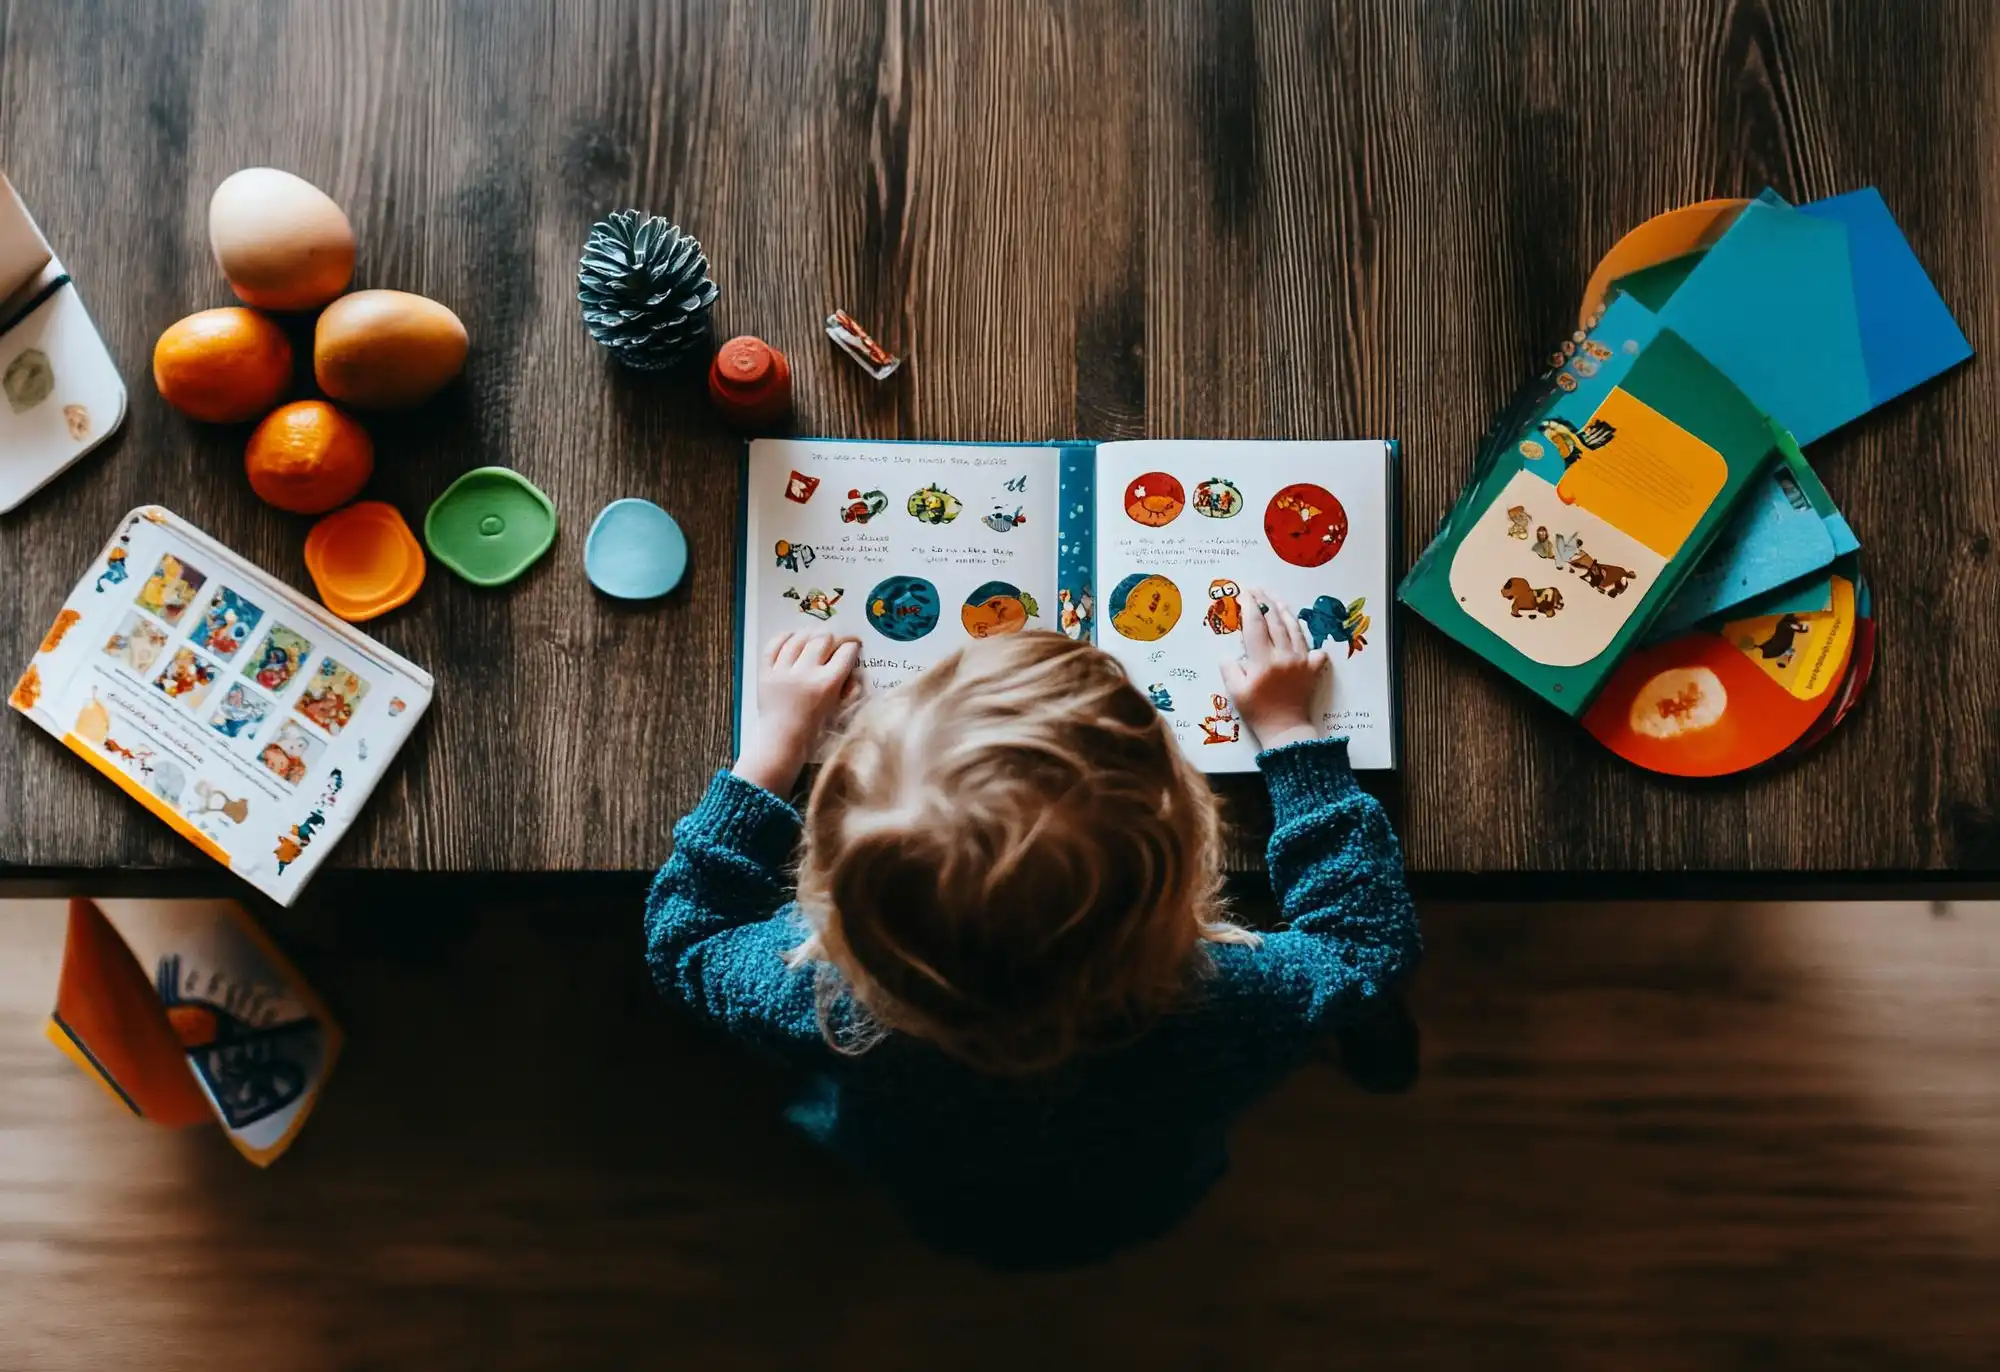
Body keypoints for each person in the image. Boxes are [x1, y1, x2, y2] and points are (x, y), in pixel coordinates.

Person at [645, 585, 1420, 1268]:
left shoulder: (820, 998)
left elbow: (685, 935)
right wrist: (1289, 735)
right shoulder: (1222, 998)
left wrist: (776, 747)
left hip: (941, 1197)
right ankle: (1364, 1048)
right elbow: (1362, 943)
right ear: (1181, 841)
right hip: (1139, 1192)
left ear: (834, 875)